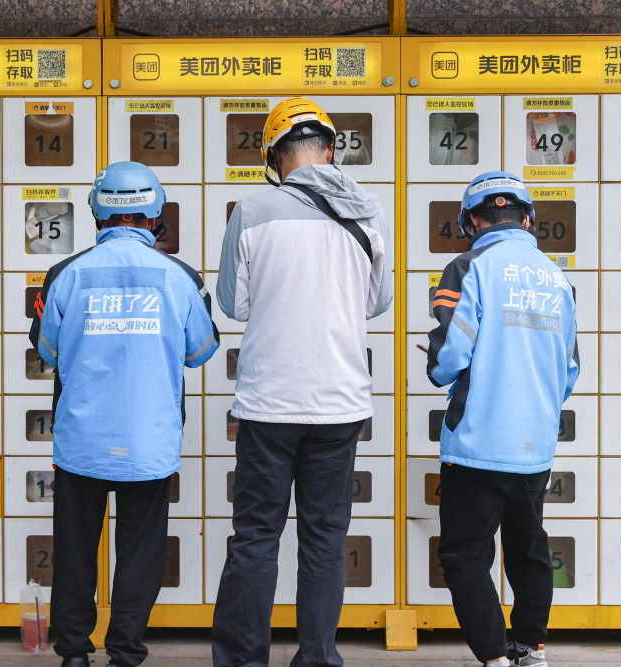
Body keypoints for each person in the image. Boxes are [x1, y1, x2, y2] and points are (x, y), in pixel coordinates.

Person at [212, 97, 393, 667]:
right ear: (331, 149)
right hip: (339, 403)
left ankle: (243, 661)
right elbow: (376, 302)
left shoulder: (252, 210)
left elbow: (233, 304)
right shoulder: (368, 211)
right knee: (324, 538)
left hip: (268, 403)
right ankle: (317, 657)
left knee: (255, 536)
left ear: (272, 156)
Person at [28, 161, 219, 667]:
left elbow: (46, 351)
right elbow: (200, 351)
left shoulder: (65, 275)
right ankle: (125, 654)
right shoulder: (181, 277)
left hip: (81, 442)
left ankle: (73, 653)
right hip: (148, 443)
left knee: (75, 552)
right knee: (140, 554)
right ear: (155, 214)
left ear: (97, 212)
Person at [426, 171, 579, 667]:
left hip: (476, 442)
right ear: (528, 219)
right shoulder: (557, 278)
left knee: (466, 553)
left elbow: (450, 355)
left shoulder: (467, 267)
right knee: (529, 547)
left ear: (471, 221)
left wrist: (436, 367)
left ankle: (493, 657)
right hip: (534, 444)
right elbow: (569, 369)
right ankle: (530, 648)